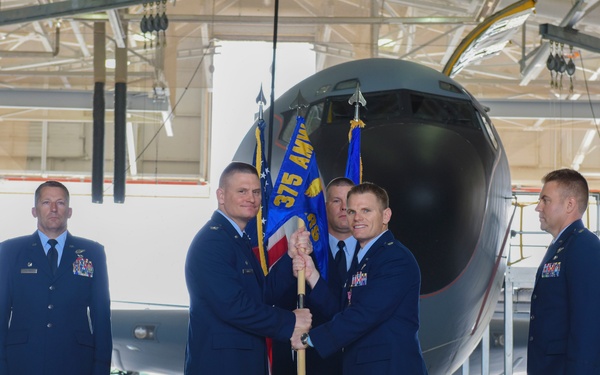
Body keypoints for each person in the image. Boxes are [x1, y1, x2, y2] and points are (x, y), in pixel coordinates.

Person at [184, 161, 312, 375]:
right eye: (242, 191)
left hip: (240, 362)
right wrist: (291, 321)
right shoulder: (213, 242)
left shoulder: (235, 239)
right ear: (221, 195)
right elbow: (233, 306)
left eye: (256, 192)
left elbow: (261, 294)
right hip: (222, 365)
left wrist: (290, 257)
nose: (251, 199)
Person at [290, 182, 428, 375]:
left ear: (386, 216)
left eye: (366, 210)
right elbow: (344, 310)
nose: (357, 218)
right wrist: (313, 276)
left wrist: (309, 339)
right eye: (352, 211)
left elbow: (364, 315)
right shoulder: (363, 259)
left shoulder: (395, 259)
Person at [0, 180, 112, 375]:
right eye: (46, 202)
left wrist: (101, 369)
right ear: (34, 210)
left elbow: (101, 316)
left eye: (60, 203)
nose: (53, 209)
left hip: (76, 363)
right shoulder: (10, 252)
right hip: (22, 362)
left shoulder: (92, 253)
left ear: (69, 211)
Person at [270, 177, 355, 374]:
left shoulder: (371, 256)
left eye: (349, 201)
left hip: (356, 363)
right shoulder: (305, 254)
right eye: (336, 201)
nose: (343, 208)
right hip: (312, 364)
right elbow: (278, 302)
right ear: (324, 208)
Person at [527, 168, 600, 374]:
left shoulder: (585, 247)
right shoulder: (561, 247)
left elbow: (589, 326)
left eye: (545, 200)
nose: (538, 208)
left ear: (570, 205)